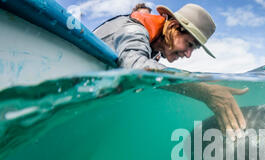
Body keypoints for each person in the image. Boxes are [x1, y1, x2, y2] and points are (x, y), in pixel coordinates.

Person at [93, 3, 247, 139]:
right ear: (173, 27)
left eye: (194, 48)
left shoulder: (154, 49)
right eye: (189, 44)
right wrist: (203, 91)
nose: (188, 54)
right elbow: (135, 66)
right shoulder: (134, 29)